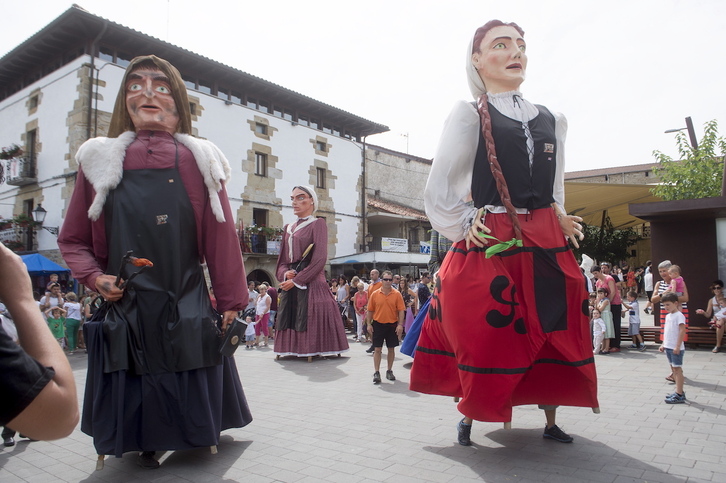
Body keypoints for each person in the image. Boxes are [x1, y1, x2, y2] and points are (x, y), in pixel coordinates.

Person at [57, 54, 252, 468]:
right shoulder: (96, 159)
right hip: (125, 302)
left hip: (184, 294)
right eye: (135, 84)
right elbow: (72, 238)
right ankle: (137, 438)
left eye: (161, 86)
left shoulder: (202, 158)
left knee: (185, 351)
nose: (147, 93)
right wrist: (95, 279)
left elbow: (221, 239)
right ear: (123, 101)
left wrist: (231, 299)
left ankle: (190, 433)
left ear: (179, 104)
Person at [410, 20, 597, 446]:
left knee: (555, 323)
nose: (516, 53)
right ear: (477, 59)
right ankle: (471, 413)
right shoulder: (469, 113)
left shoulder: (552, 118)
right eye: (501, 45)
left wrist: (560, 214)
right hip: (494, 233)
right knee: (486, 328)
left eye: (521, 45)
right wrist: (462, 223)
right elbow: (438, 185)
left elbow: (555, 186)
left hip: (547, 235)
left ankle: (550, 419)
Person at [0, 243, 78, 442]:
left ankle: (22, 427)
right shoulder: (39, 299)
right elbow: (60, 419)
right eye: (53, 285)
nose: (56, 287)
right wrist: (21, 297)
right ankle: (11, 432)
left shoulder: (59, 298)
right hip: (29, 329)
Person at [274, 186, 349, 361]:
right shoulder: (288, 228)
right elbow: (282, 261)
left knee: (310, 311)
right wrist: (286, 274)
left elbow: (319, 259)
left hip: (312, 280)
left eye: (300, 198)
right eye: (292, 198)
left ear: (312, 201)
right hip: (293, 280)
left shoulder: (318, 223)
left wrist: (297, 280)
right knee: (288, 312)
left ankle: (313, 348)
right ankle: (291, 348)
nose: (294, 202)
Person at [651, 260, 689, 382]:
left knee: (677, 339)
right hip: (665, 314)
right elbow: (653, 299)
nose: (662, 273)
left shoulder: (679, 282)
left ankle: (677, 370)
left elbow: (686, 298)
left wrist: (671, 298)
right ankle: (674, 371)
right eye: (660, 271)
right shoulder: (659, 284)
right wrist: (665, 293)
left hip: (678, 313)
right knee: (667, 340)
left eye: (664, 271)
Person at [366, 270, 404, 383]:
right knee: (377, 349)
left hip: (392, 324)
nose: (388, 282)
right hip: (378, 324)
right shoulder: (375, 294)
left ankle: (389, 370)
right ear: (381, 280)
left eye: (390, 279)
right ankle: (377, 372)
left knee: (391, 349)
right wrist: (368, 324)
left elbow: (401, 310)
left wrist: (400, 325)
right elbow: (370, 310)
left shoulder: (397, 294)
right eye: (385, 279)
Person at [659, 293, 687, 404]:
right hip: (668, 347)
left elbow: (682, 331)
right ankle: (678, 391)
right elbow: (667, 332)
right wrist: (663, 344)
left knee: (677, 370)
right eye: (664, 305)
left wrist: (677, 346)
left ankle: (679, 394)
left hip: (676, 348)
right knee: (673, 370)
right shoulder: (668, 316)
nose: (666, 307)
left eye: (668, 305)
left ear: (675, 303)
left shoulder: (679, 315)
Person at [694, 280, 726, 353]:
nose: (716, 290)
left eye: (718, 288)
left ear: (722, 289)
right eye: (714, 288)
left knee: (721, 323)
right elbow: (708, 314)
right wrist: (703, 312)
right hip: (716, 321)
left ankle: (718, 346)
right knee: (719, 324)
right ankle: (718, 345)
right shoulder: (711, 300)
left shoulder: (725, 298)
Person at [598, 263, 622, 351]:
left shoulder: (611, 278)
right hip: (604, 305)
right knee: (606, 325)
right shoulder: (598, 281)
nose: (603, 269)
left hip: (614, 303)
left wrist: (607, 302)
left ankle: (616, 345)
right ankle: (607, 345)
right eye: (602, 267)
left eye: (605, 267)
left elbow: (613, 292)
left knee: (615, 323)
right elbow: (598, 294)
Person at [596, 288, 613, 354]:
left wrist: (597, 302)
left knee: (607, 332)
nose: (599, 295)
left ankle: (606, 348)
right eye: (598, 293)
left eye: (601, 293)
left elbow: (600, 309)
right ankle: (602, 347)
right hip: (602, 316)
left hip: (606, 316)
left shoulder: (606, 301)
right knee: (602, 333)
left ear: (605, 294)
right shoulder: (601, 300)